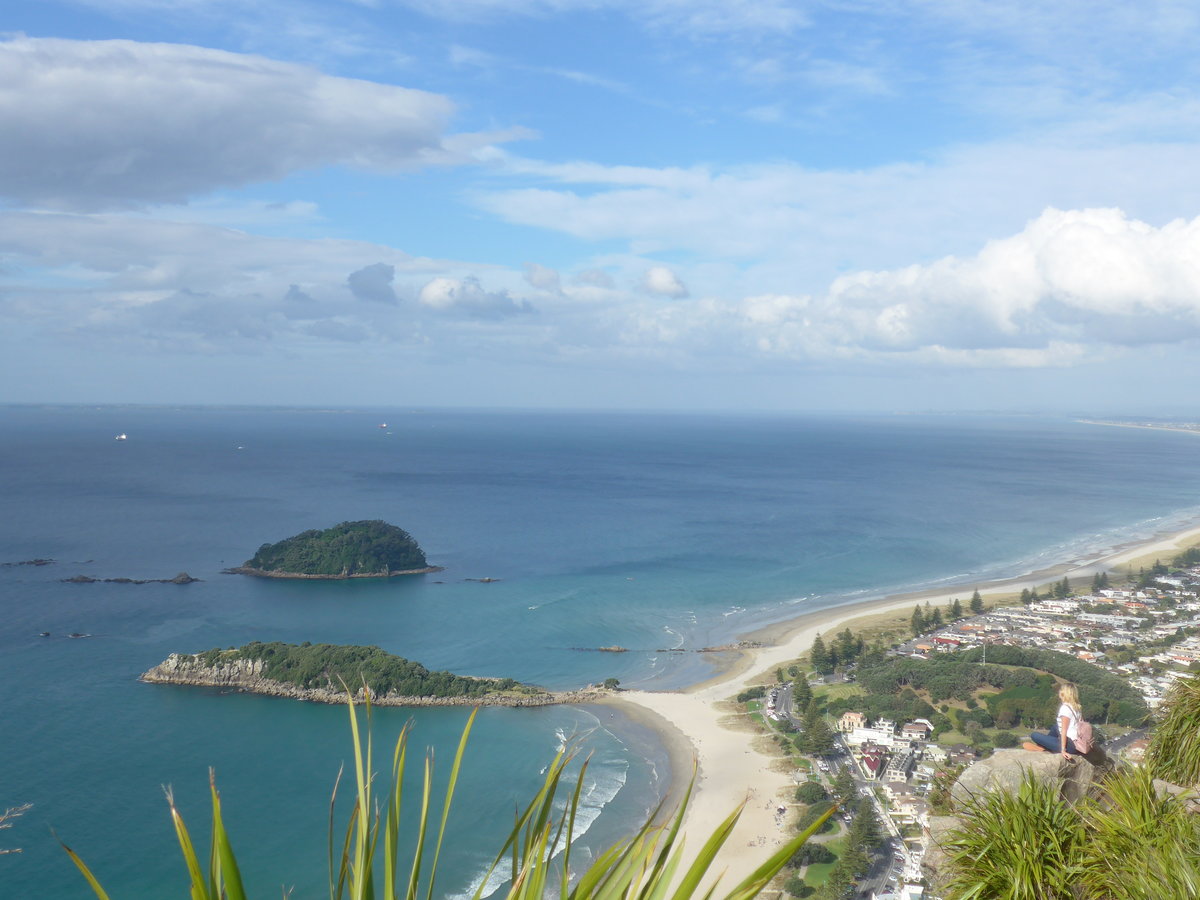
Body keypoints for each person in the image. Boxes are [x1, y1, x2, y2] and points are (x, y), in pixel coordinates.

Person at [1026, 683, 1083, 758]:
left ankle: (1045, 747)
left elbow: (1064, 731)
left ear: (1063, 693)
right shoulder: (1077, 707)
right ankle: (1045, 746)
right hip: (1077, 744)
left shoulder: (1065, 708)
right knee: (1056, 726)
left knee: (1034, 735)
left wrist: (1063, 750)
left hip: (1069, 746)